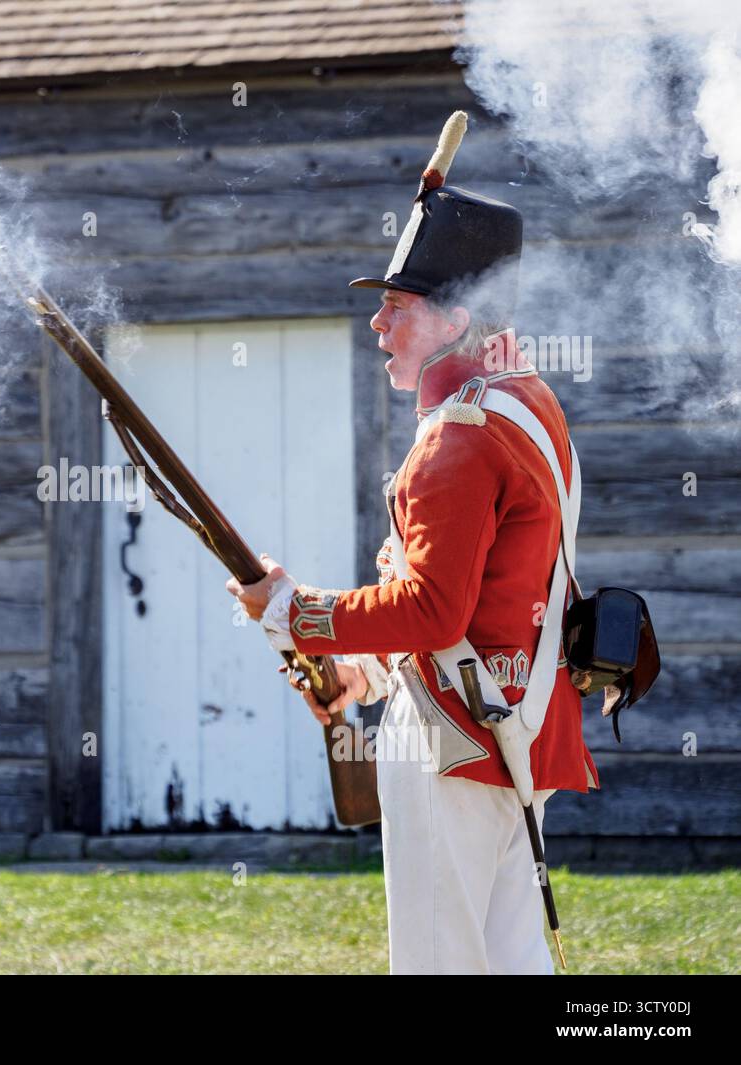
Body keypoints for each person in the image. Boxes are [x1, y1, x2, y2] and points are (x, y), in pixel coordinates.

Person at [227, 114, 597, 975]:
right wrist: (366, 671)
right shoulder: (527, 401)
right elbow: (479, 599)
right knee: (511, 963)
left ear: (453, 318)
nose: (379, 326)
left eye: (397, 307)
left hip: (451, 742)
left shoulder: (456, 436)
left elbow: (433, 608)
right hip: (520, 729)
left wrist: (292, 613)